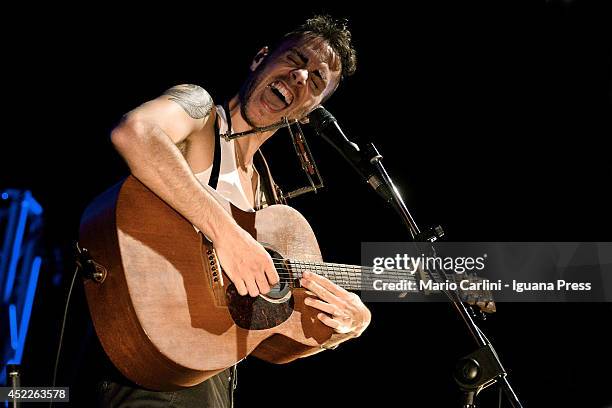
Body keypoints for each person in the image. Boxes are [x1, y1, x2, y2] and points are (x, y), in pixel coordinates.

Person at [97, 15, 371, 407]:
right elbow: (135, 132)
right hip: (141, 362)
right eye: (295, 60)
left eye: (314, 82)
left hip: (210, 376)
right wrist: (227, 234)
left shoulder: (267, 195)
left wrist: (339, 331)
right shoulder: (200, 113)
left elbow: (270, 339)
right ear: (260, 58)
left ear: (308, 114)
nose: (299, 78)